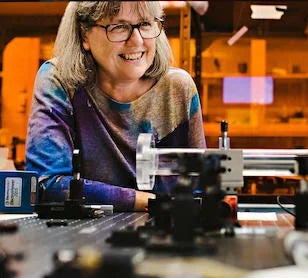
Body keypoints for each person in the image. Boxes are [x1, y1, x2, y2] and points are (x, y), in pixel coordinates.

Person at [25, 1, 206, 212]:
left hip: (163, 236)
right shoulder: (60, 81)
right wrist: (150, 202)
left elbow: (199, 191)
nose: (137, 40)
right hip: (85, 239)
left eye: (146, 24)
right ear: (85, 35)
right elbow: (48, 186)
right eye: (119, 27)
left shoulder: (178, 89)